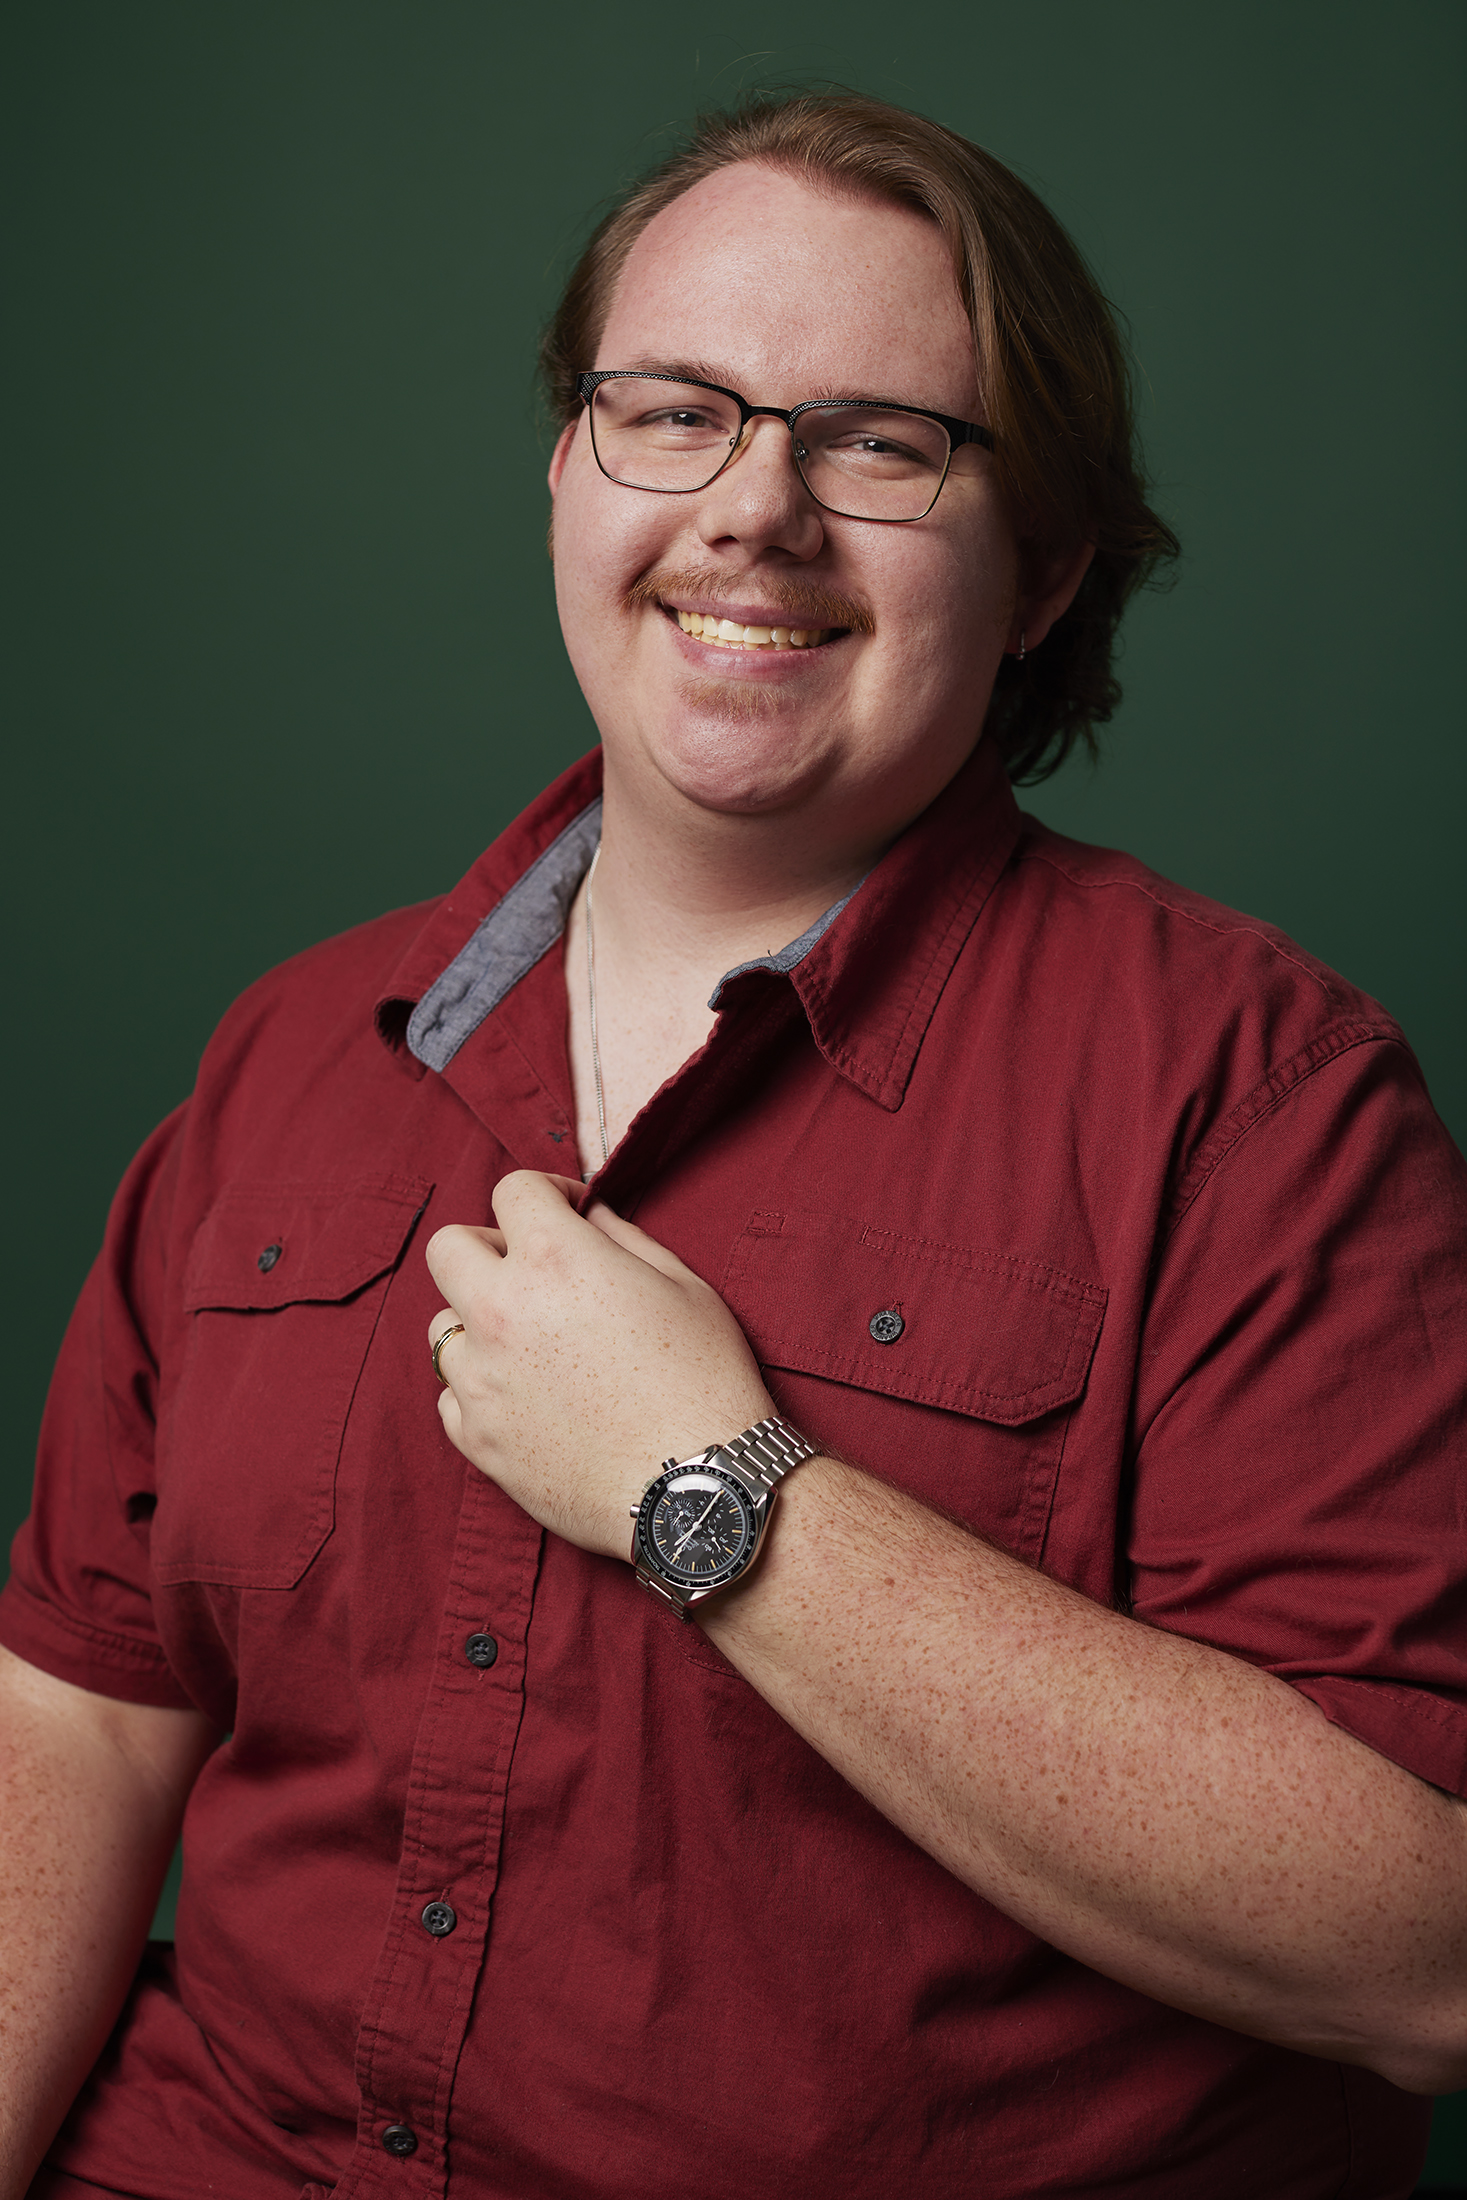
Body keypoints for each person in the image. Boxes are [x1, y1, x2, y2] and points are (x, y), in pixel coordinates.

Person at [2, 89, 1464, 2200]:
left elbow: (1421, 1940)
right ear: (565, 474)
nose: (751, 511)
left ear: (1042, 562)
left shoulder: (1255, 1097)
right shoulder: (289, 1057)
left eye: (879, 444)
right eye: (670, 410)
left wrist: (720, 1494)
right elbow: (79, 1705)